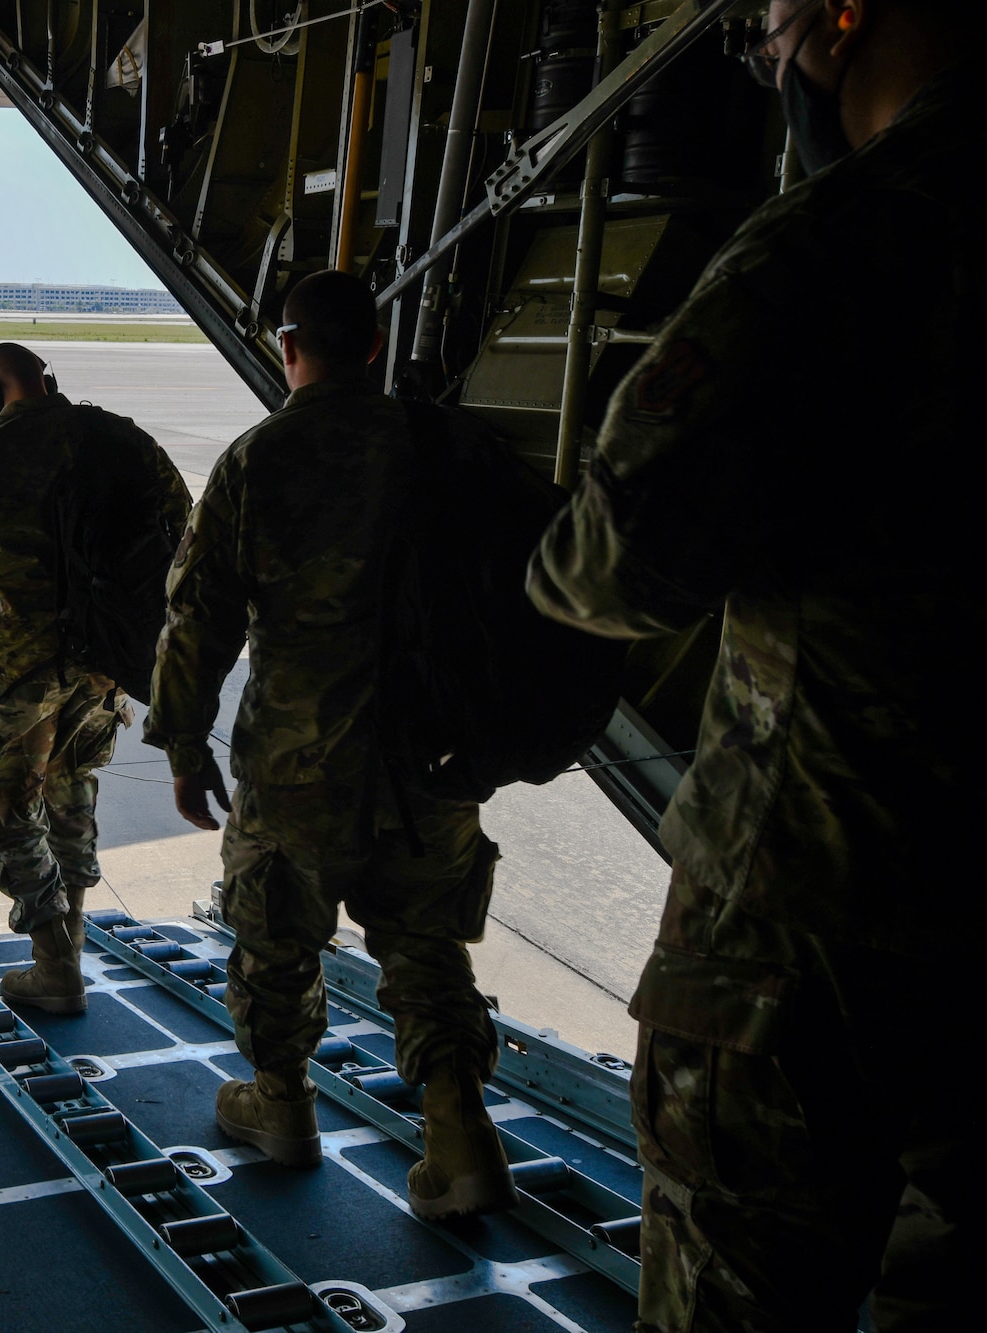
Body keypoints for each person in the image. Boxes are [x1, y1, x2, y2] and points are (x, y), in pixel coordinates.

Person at [526, 3, 978, 1326]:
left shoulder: (843, 240)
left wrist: (534, 557)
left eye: (776, 28)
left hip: (813, 923)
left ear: (847, 20)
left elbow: (621, 562)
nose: (775, 58)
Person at [144, 272, 508, 1224]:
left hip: (298, 763)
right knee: (427, 949)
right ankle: (460, 1138)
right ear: (377, 346)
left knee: (275, 942)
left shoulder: (260, 458)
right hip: (428, 764)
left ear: (286, 346)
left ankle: (284, 1105)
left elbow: (198, 620)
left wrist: (185, 742)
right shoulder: (451, 446)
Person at [0, 342, 189, 1013]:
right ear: (47, 380)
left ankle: (54, 960)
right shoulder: (123, 438)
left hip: (27, 666)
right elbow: (181, 535)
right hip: (107, 663)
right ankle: (72, 935)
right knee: (71, 789)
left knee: (0, 803)